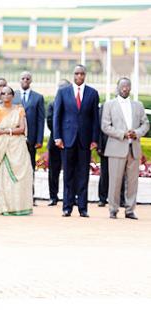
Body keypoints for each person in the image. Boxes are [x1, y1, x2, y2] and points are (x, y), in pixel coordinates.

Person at [53, 64, 100, 218]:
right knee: (68, 174)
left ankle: (82, 208)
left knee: (83, 175)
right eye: (76, 73)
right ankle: (67, 207)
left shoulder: (93, 93)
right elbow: (57, 116)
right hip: (67, 140)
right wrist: (57, 137)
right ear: (73, 75)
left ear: (85, 75)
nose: (79, 76)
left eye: (82, 74)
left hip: (84, 141)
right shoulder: (63, 92)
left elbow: (95, 119)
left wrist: (95, 139)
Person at [101, 77, 149, 219]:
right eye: (122, 86)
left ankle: (129, 210)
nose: (125, 88)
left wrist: (137, 133)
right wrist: (123, 134)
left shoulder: (138, 105)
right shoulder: (109, 105)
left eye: (127, 86)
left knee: (133, 182)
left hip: (133, 149)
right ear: (117, 87)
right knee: (115, 181)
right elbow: (105, 126)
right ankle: (113, 209)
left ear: (130, 88)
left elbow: (145, 124)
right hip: (116, 147)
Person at [0, 86, 33, 215]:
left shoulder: (19, 110)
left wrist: (6, 131)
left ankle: (20, 207)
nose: (6, 96)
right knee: (5, 178)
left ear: (13, 95)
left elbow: (21, 129)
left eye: (8, 93)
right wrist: (9, 131)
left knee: (22, 177)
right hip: (3, 147)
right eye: (3, 93)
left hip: (18, 148)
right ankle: (5, 208)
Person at [13, 71, 45, 206]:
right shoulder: (13, 96)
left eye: (27, 78)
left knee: (30, 168)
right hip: (15, 140)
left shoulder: (38, 97)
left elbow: (40, 120)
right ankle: (15, 196)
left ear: (31, 81)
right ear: (19, 80)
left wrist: (38, 139)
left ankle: (29, 196)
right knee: (16, 168)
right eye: (23, 78)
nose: (25, 80)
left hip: (31, 140)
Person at [46, 79, 71, 206]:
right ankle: (53, 197)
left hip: (70, 142)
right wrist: (59, 137)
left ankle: (70, 197)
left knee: (70, 171)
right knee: (53, 171)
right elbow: (50, 122)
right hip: (55, 142)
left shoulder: (73, 104)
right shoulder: (52, 104)